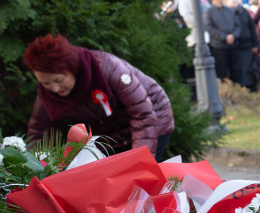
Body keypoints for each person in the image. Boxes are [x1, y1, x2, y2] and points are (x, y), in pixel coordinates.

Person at [24, 34, 175, 159]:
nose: (54, 88)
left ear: (72, 69)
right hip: (111, 133)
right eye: (46, 83)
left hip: (152, 116)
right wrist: (36, 166)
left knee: (141, 174)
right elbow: (39, 132)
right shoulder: (47, 92)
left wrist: (139, 160)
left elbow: (143, 116)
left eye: (59, 80)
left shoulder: (108, 68)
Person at [225, 0, 259, 91]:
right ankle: (240, 88)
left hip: (247, 44)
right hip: (235, 45)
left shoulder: (244, 12)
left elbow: (252, 28)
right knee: (238, 68)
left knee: (248, 68)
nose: (235, 1)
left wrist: (255, 43)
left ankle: (250, 88)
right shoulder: (227, 12)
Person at [204, 0, 239, 81]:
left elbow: (237, 25)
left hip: (233, 45)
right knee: (222, 72)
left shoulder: (229, 10)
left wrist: (233, 35)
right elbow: (209, 27)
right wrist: (224, 37)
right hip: (218, 47)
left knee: (235, 71)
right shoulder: (209, 12)